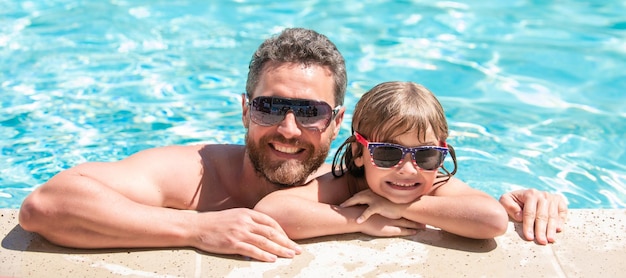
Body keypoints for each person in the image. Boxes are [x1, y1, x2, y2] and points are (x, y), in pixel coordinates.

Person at [18, 28, 567, 263]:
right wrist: (196, 227)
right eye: (268, 107)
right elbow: (46, 206)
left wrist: (527, 199)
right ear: (243, 109)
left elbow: (455, 198)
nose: (286, 128)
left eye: (308, 112)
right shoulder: (197, 172)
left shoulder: (366, 173)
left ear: (338, 125)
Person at [256, 81, 511, 239]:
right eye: (388, 154)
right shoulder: (348, 183)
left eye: (426, 154)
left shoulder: (435, 183)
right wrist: (363, 220)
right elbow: (271, 212)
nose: (409, 169)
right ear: (358, 154)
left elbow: (493, 220)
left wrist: (401, 209)